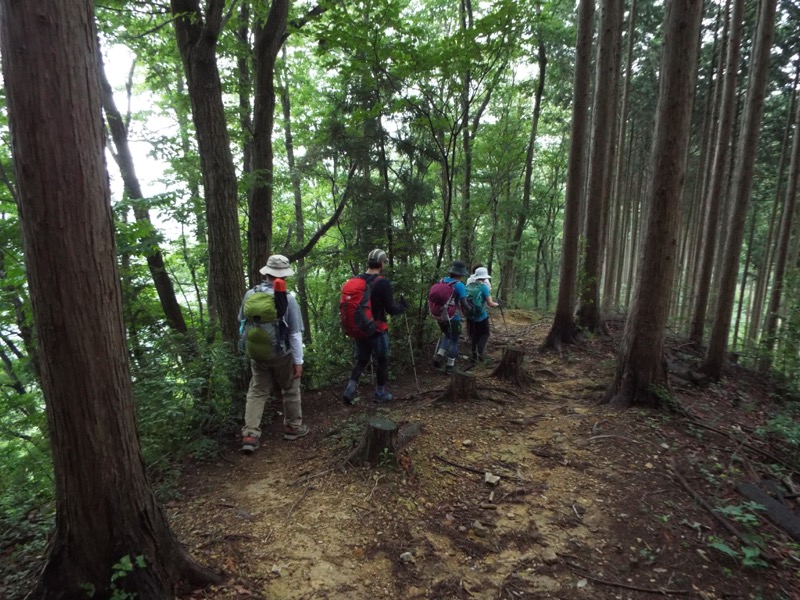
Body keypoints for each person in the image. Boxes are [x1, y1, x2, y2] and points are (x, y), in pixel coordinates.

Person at [240, 254, 308, 453]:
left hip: (257, 354)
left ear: (267, 273)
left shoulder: (250, 294)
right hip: (282, 355)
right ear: (284, 276)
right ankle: (293, 427)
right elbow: (294, 333)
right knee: (290, 388)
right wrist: (298, 361)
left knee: (257, 391)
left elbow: (242, 322)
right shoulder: (287, 299)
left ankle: (250, 435)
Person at [341, 249, 407, 404]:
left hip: (361, 328)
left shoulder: (357, 280)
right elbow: (391, 309)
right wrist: (402, 306)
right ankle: (380, 393)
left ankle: (350, 390)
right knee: (382, 360)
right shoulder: (383, 283)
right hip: (377, 329)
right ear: (382, 263)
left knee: (361, 360)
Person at [432, 260, 471, 374]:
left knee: (447, 335)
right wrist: (471, 309)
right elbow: (464, 303)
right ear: (461, 273)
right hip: (453, 317)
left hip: (440, 315)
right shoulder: (459, 285)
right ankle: (450, 366)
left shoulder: (442, 280)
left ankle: (439, 354)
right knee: (454, 340)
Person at [465, 266, 500, 362]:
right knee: (485, 333)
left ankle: (474, 354)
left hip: (470, 315)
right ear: (484, 278)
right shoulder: (484, 287)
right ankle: (479, 353)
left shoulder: (468, 286)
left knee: (475, 335)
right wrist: (498, 304)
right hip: (481, 316)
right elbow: (490, 303)